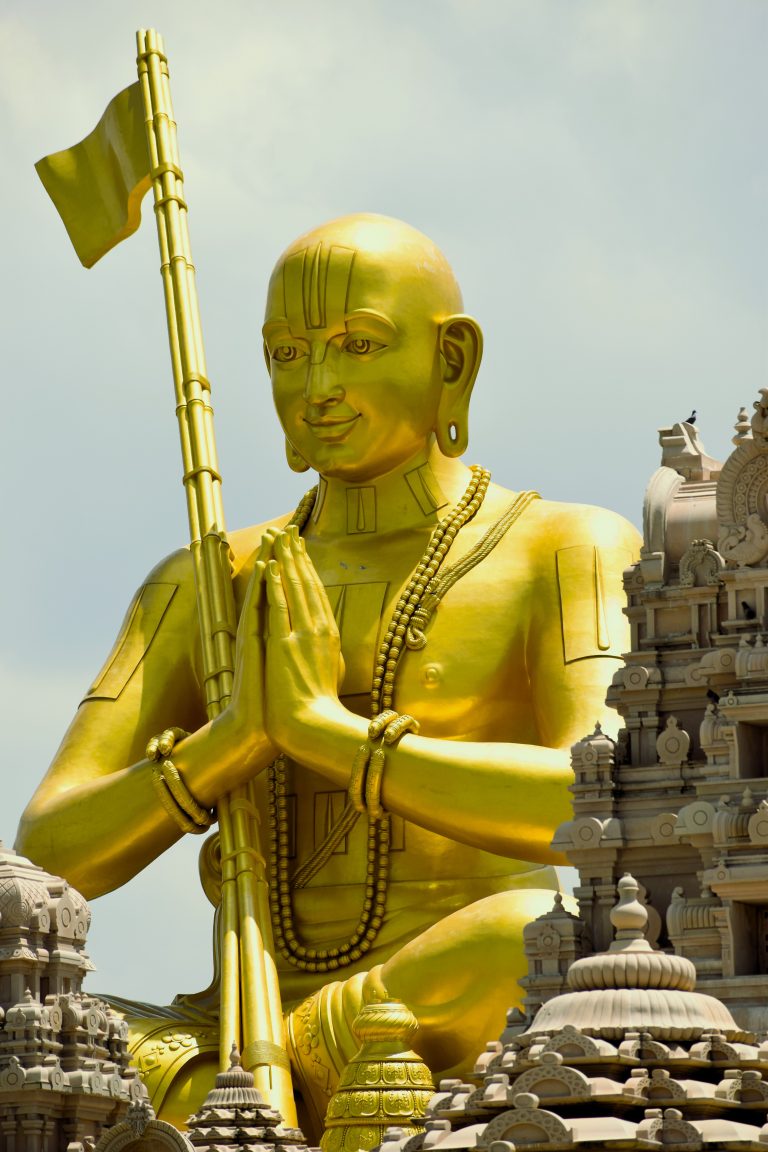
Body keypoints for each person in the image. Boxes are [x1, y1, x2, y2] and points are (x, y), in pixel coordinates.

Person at [16, 213, 639, 1133]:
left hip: (438, 997)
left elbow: (609, 800)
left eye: (356, 346)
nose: (319, 387)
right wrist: (225, 749)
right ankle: (278, 1081)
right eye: (286, 355)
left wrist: (322, 733)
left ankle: (294, 1069)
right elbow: (46, 852)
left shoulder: (565, 548)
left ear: (453, 361)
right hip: (225, 1025)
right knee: (31, 1020)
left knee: (535, 927)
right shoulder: (207, 578)